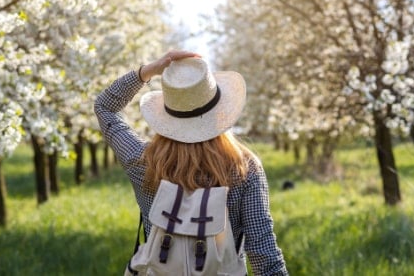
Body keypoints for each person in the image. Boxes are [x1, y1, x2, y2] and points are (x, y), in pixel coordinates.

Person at [95, 50, 288, 275]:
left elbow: (104, 107)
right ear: (220, 113)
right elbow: (264, 256)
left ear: (167, 116)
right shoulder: (244, 168)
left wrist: (148, 71)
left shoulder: (143, 162)